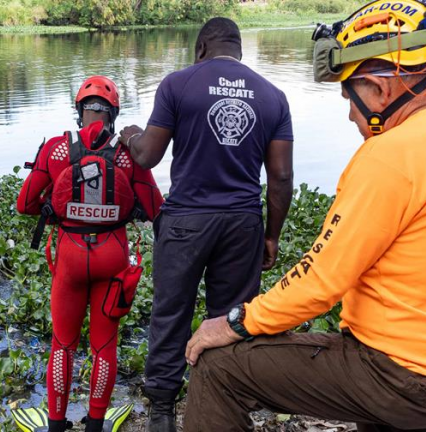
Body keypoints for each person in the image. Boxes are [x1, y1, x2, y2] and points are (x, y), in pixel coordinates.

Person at [182, 1, 426, 430]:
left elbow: (320, 282)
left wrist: (236, 322)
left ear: (379, 89)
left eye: (349, 95)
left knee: (220, 367)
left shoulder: (391, 155)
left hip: (405, 377)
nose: (351, 113)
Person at [117, 17, 294, 431]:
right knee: (231, 319)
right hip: (243, 223)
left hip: (185, 222)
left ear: (200, 49)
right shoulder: (273, 96)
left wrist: (130, 134)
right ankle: (220, 406)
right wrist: (271, 236)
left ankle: (162, 411)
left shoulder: (178, 84)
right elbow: (281, 177)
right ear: (239, 52)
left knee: (170, 313)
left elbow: (147, 156)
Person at [15, 76, 164, 432]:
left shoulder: (55, 149)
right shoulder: (129, 154)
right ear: (113, 114)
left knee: (63, 344)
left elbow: (24, 205)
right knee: (103, 346)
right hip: (112, 256)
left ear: (79, 110)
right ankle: (96, 424)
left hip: (69, 254)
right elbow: (155, 207)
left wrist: (56, 208)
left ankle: (55, 424)